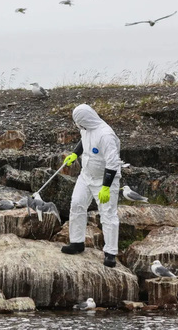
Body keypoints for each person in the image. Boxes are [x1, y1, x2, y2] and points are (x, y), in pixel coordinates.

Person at [60, 104, 122, 268]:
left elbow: (113, 162)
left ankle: (110, 253)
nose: (77, 125)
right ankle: (77, 242)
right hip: (86, 175)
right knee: (77, 204)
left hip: (105, 179)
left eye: (78, 121)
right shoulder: (86, 127)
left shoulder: (106, 135)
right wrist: (74, 154)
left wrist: (106, 186)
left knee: (108, 214)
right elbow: (83, 141)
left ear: (86, 118)